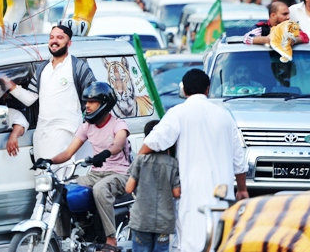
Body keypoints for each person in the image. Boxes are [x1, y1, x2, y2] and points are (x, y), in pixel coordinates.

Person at [139, 69, 248, 252]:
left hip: (192, 191)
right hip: (223, 191)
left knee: (191, 240)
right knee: (220, 239)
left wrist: (140, 161)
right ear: (208, 89)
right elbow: (239, 159)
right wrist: (242, 189)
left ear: (184, 90)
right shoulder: (225, 115)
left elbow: (152, 142)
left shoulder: (178, 113)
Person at [44, 82, 128, 249]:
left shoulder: (118, 124)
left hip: (120, 174)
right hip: (96, 174)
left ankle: (111, 240)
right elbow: (68, 153)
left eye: (92, 102)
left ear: (104, 103)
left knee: (100, 189)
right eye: (86, 102)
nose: (87, 106)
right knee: (62, 189)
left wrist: (104, 154)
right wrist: (48, 161)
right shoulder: (87, 127)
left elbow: (118, 144)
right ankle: (65, 237)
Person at [0, 25, 96, 163]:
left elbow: (94, 95)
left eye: (60, 37)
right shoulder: (42, 69)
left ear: (69, 43)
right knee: (43, 177)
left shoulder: (78, 67)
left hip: (67, 131)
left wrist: (88, 124)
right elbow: (30, 99)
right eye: (51, 37)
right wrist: (9, 85)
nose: (54, 41)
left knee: (58, 177)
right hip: (42, 134)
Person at [126, 120, 180, 252]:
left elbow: (128, 188)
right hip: (163, 222)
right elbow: (177, 193)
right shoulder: (173, 163)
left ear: (146, 140)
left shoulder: (140, 160)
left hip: (141, 220)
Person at [243, 1, 308, 45]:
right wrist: (266, 40)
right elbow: (246, 38)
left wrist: (293, 40)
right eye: (284, 14)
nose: (288, 17)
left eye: (288, 14)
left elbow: (305, 37)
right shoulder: (262, 29)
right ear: (273, 15)